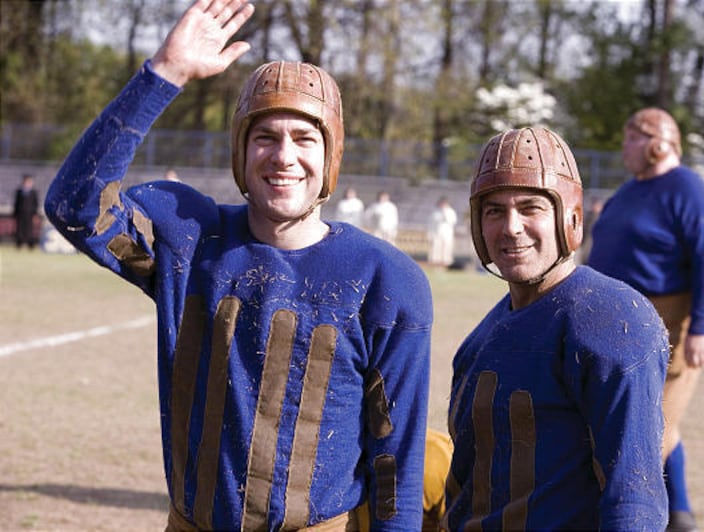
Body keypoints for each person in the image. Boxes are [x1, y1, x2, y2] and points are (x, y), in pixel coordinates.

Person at [44, 1, 433, 530]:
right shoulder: (188, 241)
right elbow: (75, 206)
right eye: (265, 137)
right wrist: (165, 74)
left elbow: (396, 467)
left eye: (305, 138)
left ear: (332, 154)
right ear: (241, 151)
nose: (284, 156)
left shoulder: (385, 278)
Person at [444, 127, 669, 530]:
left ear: (571, 218)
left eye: (531, 208)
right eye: (494, 210)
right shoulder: (480, 338)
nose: (511, 227)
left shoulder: (612, 318)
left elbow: (634, 496)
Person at [587, 107, 704, 532]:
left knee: (649, 426)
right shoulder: (629, 191)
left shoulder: (689, 190)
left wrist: (700, 326)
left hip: (667, 323)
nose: (624, 148)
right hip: (614, 323)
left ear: (658, 142)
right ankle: (680, 513)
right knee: (641, 423)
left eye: (632, 139)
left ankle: (647, 518)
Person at [426, 196, 458, 268]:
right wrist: (430, 233)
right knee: (436, 247)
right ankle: (435, 263)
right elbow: (431, 223)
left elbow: (453, 222)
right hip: (436, 233)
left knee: (447, 248)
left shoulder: (450, 211)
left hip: (447, 233)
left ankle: (446, 263)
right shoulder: (435, 212)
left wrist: (445, 213)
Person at [13, 173, 39, 250]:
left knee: (30, 229)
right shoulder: (19, 191)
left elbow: (35, 203)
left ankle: (30, 244)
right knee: (20, 229)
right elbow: (16, 203)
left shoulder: (34, 192)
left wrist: (35, 214)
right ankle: (19, 243)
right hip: (21, 213)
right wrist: (15, 213)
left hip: (30, 214)